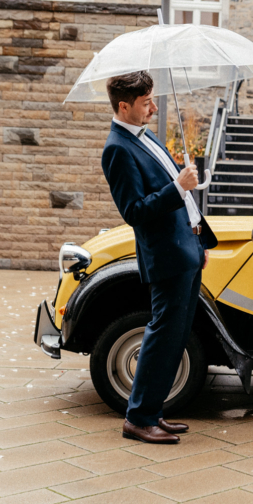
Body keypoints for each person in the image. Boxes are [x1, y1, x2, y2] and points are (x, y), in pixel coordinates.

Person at [101, 71, 218, 444]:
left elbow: (177, 198)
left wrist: (198, 241)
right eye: (146, 101)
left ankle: (154, 411)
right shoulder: (117, 148)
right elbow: (134, 211)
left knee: (176, 337)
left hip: (186, 250)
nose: (153, 107)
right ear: (124, 106)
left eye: (152, 99)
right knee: (161, 335)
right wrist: (177, 186)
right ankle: (138, 419)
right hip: (165, 257)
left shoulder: (146, 135)